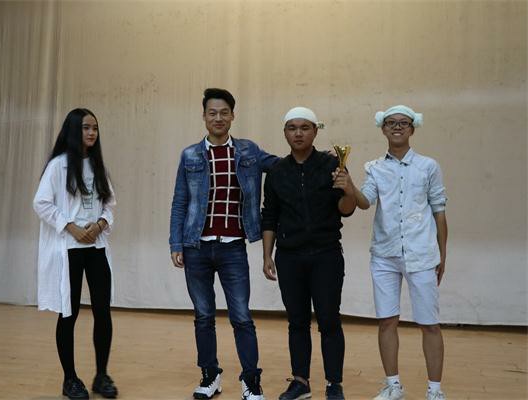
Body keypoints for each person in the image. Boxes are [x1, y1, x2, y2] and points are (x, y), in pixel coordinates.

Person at [169, 88, 278, 400]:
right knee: (203, 316)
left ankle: (251, 381)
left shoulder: (247, 151)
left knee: (241, 316)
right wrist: (176, 242)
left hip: (232, 248)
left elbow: (280, 165)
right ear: (204, 117)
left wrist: (316, 161)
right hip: (197, 247)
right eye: (212, 113)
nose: (218, 118)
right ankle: (210, 376)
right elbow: (180, 201)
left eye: (224, 112)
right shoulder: (190, 155)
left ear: (233, 116)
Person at [346, 105, 448, 400]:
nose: (398, 126)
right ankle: (393, 386)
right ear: (383, 128)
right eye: (391, 122)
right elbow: (364, 202)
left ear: (413, 128)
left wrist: (442, 255)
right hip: (384, 255)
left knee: (429, 324)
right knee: (387, 321)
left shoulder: (428, 166)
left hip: (422, 254)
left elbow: (439, 212)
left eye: (404, 122)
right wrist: (349, 185)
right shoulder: (374, 168)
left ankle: (435, 391)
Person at [262, 107, 356, 400]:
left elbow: (347, 210)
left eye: (305, 127)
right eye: (292, 128)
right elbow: (270, 215)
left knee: (329, 321)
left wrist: (348, 189)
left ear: (315, 131)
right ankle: (300, 382)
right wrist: (267, 255)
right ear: (285, 133)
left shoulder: (332, 164)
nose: (298, 133)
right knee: (297, 322)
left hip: (326, 255)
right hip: (289, 258)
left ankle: (334, 384)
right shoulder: (276, 171)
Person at [33, 108, 118, 399]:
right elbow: (41, 203)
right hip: (69, 249)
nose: (92, 132)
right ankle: (70, 379)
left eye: (95, 127)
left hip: (96, 247)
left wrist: (100, 224)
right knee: (68, 314)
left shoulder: (98, 165)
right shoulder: (58, 166)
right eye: (86, 127)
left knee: (103, 312)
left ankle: (101, 375)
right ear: (73, 130)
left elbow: (110, 204)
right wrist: (71, 227)